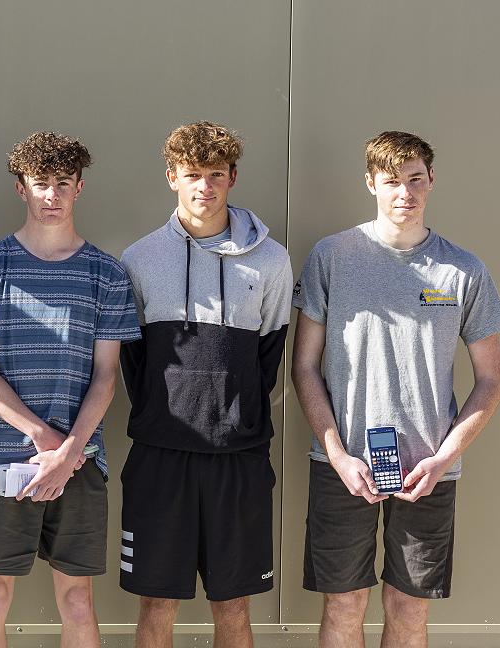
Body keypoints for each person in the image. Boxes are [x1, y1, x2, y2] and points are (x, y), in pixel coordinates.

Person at [291, 131, 500, 648]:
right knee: (344, 604)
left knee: (408, 609)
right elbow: (303, 366)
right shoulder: (332, 257)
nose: (404, 193)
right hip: (344, 467)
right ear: (371, 184)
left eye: (414, 179)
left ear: (431, 181)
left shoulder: (463, 270)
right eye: (391, 181)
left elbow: (492, 379)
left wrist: (443, 458)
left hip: (428, 470)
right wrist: (338, 454)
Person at [0, 131, 140, 647]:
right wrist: (44, 438)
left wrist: (69, 452)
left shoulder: (106, 273)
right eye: (40, 183)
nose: (52, 194)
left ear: (79, 187)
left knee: (77, 599)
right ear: (21, 188)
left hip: (82, 461)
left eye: (63, 183)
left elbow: (106, 375)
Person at [118, 121, 293, 648]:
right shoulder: (140, 259)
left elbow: (269, 356)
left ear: (232, 178)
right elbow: (133, 360)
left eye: (216, 174)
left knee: (234, 607)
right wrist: (163, 411)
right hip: (159, 456)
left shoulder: (271, 259)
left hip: (239, 457)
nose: (205, 187)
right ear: (172, 177)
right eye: (192, 174)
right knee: (157, 606)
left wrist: (234, 415)